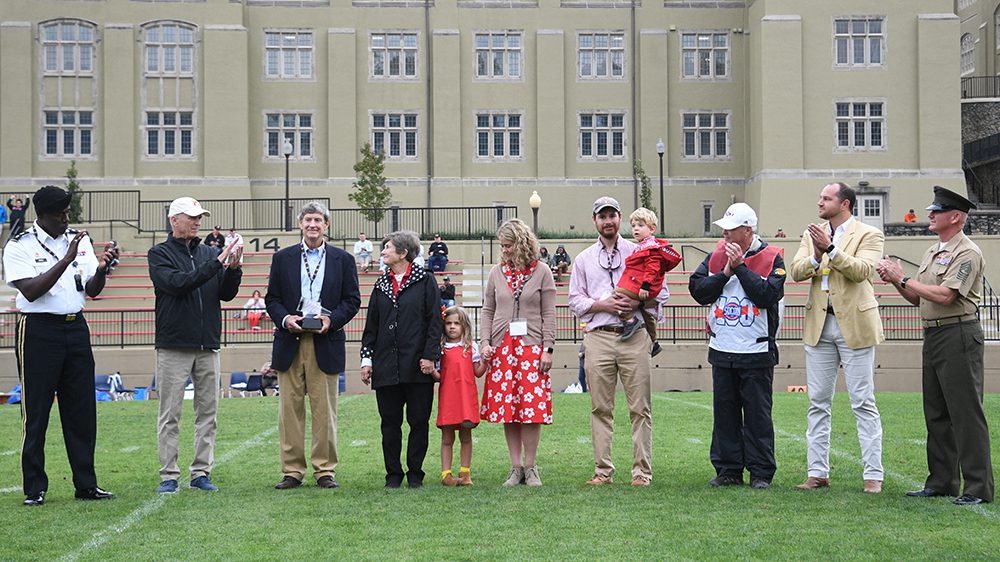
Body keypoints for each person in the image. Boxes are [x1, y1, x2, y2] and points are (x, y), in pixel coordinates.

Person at [878, 186, 994, 506]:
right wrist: (897, 281)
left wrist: (902, 279)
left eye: (937, 211)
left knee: (966, 413)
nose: (930, 215)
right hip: (934, 334)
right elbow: (918, 296)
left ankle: (977, 487)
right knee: (937, 412)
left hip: (958, 334)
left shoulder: (967, 252)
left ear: (955, 217)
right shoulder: (934, 251)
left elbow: (946, 296)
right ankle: (942, 481)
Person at [3, 185, 119, 506]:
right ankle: (35, 487)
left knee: (82, 410)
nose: (67, 219)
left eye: (68, 212)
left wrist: (100, 269)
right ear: (41, 216)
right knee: (37, 411)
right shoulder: (20, 246)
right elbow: (31, 291)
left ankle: (86, 483)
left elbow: (91, 289)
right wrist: (67, 258)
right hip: (38, 331)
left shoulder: (79, 241)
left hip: (75, 328)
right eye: (60, 214)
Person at [568, 196, 670, 487]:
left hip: (634, 336)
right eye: (602, 216)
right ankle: (603, 470)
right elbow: (575, 300)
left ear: (620, 218)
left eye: (612, 215)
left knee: (640, 408)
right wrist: (605, 305)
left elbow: (661, 294)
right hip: (598, 337)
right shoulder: (584, 259)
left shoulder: (641, 251)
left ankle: (642, 472)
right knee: (601, 408)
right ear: (595, 221)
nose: (608, 221)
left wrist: (637, 302)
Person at [791, 182, 885, 494]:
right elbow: (796, 271)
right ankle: (817, 472)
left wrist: (831, 249)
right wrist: (817, 256)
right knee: (817, 401)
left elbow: (862, 271)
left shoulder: (869, 234)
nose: (820, 202)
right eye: (820, 197)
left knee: (862, 401)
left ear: (844, 204)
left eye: (826, 198)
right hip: (820, 324)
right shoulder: (811, 233)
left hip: (855, 325)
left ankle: (873, 474)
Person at [148, 197, 242, 494]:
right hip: (174, 345)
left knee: (208, 414)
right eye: (191, 217)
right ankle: (169, 474)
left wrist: (234, 269)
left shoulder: (208, 253)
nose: (197, 221)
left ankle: (201, 472)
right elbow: (179, 284)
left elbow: (224, 294)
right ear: (174, 220)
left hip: (207, 345)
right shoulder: (158, 254)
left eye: (199, 216)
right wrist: (217, 263)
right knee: (170, 414)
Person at [688, 202, 785, 490]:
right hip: (723, 349)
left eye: (731, 230)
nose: (725, 235)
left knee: (757, 415)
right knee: (725, 413)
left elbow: (766, 295)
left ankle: (761, 471)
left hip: (757, 351)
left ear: (748, 230)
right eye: (724, 230)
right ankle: (728, 469)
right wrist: (725, 271)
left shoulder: (772, 257)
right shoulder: (717, 255)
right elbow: (698, 290)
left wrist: (740, 268)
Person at [266, 201, 361, 490]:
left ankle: (325, 470)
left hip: (325, 341)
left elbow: (352, 301)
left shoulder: (342, 260)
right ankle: (292, 471)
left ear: (326, 225)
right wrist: (285, 319)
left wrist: (331, 320)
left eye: (318, 220)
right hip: (290, 341)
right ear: (300, 224)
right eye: (308, 220)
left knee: (325, 410)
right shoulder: (283, 258)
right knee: (289, 411)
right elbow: (272, 300)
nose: (313, 225)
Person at [360, 231, 442, 489]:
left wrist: (430, 356)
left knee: (419, 421)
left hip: (418, 365)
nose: (382, 251)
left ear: (403, 253)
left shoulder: (425, 281)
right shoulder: (380, 284)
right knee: (389, 424)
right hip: (386, 365)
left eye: (387, 247)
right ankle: (393, 474)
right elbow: (371, 325)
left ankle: (415, 473)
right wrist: (367, 360)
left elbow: (434, 322)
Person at [479, 218, 556, 487]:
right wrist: (484, 343)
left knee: (530, 410)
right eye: (502, 246)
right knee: (508, 410)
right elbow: (488, 310)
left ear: (522, 243)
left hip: (532, 346)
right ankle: (515, 467)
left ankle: (532, 466)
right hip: (501, 348)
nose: (505, 250)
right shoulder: (495, 273)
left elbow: (549, 312)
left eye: (509, 245)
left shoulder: (543, 271)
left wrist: (548, 349)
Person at [615, 208, 682, 353]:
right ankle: (654, 342)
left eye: (640, 225)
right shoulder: (643, 246)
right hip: (646, 287)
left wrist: (645, 286)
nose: (635, 229)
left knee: (617, 294)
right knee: (646, 314)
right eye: (633, 226)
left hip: (646, 287)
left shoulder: (651, 247)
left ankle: (630, 321)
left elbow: (653, 268)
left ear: (652, 229)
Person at [434, 306, 488, 486]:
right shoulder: (440, 348)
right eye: (448, 323)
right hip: (449, 399)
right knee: (447, 438)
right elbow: (440, 376)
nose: (452, 327)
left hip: (466, 399)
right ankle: (446, 475)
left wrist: (486, 360)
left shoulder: (471, 347)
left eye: (456, 323)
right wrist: (431, 371)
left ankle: (465, 473)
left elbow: (478, 372)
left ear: (464, 326)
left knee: (466, 436)